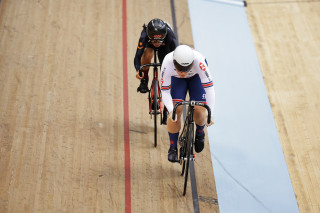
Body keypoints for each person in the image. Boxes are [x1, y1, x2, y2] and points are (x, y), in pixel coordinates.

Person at [160, 45, 215, 162]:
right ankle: (173, 147)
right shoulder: (167, 62)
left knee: (200, 110)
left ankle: (200, 133)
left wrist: (210, 113)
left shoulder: (200, 62)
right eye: (180, 68)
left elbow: (209, 89)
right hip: (177, 80)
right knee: (176, 110)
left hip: (196, 78)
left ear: (192, 62)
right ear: (174, 62)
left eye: (186, 68)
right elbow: (164, 90)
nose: (183, 72)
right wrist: (171, 110)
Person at [134, 18, 178, 124]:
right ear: (149, 36)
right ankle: (144, 81)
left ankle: (167, 110)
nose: (157, 43)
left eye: (159, 40)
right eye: (154, 40)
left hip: (166, 46)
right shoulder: (144, 35)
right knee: (147, 53)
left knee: (166, 64)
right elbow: (138, 55)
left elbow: (176, 56)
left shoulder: (170, 36)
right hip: (149, 46)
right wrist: (138, 71)